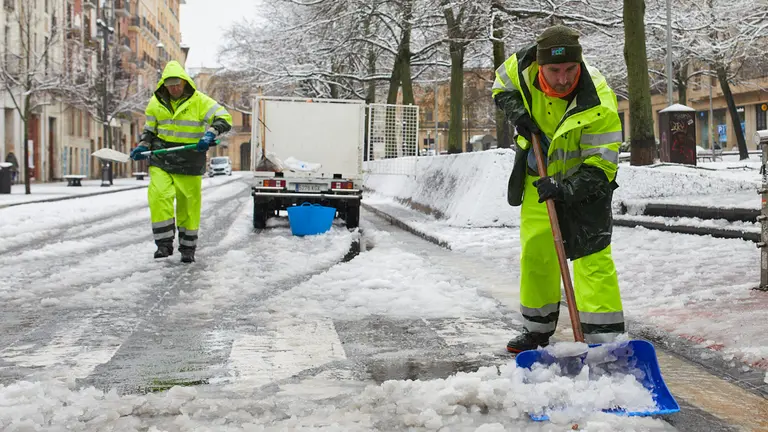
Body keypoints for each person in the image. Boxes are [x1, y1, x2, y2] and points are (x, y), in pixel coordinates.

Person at [492, 25, 624, 352]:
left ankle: (603, 343)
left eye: (570, 70)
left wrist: (565, 189)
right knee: (537, 252)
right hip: (539, 177)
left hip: (586, 185)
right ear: (540, 66)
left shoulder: (599, 102)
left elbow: (603, 166)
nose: (563, 79)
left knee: (592, 257)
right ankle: (536, 331)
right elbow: (501, 86)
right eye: (554, 70)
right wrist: (518, 113)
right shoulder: (521, 68)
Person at [130, 61, 232, 263]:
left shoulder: (200, 101)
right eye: (170, 85)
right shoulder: (156, 103)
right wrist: (143, 145)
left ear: (185, 82)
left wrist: (209, 135)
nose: (174, 88)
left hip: (190, 160)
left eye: (177, 84)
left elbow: (223, 118)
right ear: (164, 86)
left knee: (188, 205)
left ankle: (187, 247)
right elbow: (150, 129)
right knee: (159, 196)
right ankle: (163, 244)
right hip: (162, 157)